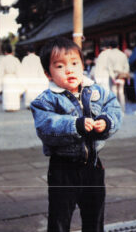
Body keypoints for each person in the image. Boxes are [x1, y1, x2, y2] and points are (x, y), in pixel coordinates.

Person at [30, 37, 122, 232]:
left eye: (74, 63)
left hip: (94, 166)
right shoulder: (45, 100)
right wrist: (75, 125)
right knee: (60, 218)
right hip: (63, 169)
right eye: (60, 66)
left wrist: (106, 122)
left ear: (83, 65)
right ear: (48, 73)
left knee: (95, 216)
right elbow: (46, 127)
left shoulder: (96, 91)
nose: (69, 70)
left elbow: (114, 108)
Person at [0, 43, 23, 111]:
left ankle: (7, 107)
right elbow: (19, 71)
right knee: (14, 93)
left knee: (7, 93)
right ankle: (14, 107)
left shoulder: (3, 60)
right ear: (12, 52)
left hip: (6, 78)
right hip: (14, 78)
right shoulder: (16, 60)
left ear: (5, 52)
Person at [107, 40, 130, 112]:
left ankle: (115, 110)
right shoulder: (123, 54)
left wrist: (112, 77)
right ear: (117, 46)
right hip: (121, 75)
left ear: (110, 47)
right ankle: (123, 110)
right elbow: (127, 67)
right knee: (121, 93)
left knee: (114, 93)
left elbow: (109, 67)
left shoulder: (109, 55)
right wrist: (124, 74)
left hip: (114, 75)